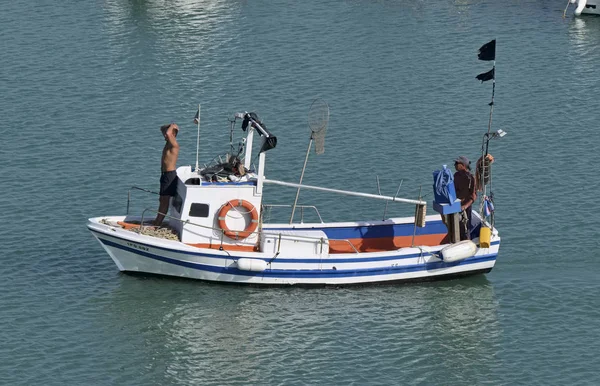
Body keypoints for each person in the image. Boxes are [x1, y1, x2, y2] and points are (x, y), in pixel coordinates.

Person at [153, 123, 180, 226]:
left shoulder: (174, 145)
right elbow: (162, 129)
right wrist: (167, 127)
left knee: (164, 201)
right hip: (164, 175)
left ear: (173, 135)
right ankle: (157, 220)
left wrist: (173, 125)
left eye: (166, 134)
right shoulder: (168, 143)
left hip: (169, 175)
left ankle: (157, 224)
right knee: (161, 199)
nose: (164, 135)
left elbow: (169, 133)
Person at [454, 155, 477, 240]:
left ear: (463, 165)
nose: (455, 165)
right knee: (456, 227)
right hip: (456, 206)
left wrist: (465, 206)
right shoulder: (455, 176)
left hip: (465, 208)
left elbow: (474, 196)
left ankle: (467, 241)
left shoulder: (470, 178)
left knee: (466, 228)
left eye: (457, 163)